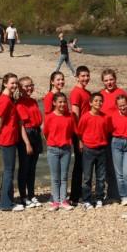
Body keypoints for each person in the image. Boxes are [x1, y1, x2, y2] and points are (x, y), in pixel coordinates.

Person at [0, 73, 27, 212]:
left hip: (12, 138)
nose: (14, 86)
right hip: (7, 139)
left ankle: (8, 200)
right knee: (8, 171)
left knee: (10, 170)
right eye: (12, 83)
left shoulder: (9, 99)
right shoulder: (4, 100)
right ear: (5, 83)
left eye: (15, 83)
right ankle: (6, 204)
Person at [78, 92, 111, 208]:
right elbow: (80, 132)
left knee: (101, 177)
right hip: (88, 149)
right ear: (90, 102)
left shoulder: (105, 117)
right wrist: (81, 143)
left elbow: (107, 131)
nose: (98, 103)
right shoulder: (85, 117)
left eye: (101, 101)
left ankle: (99, 198)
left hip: (102, 149)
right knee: (87, 176)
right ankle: (87, 199)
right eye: (96, 101)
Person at [45, 92, 77, 210]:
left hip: (66, 150)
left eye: (64, 102)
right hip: (53, 150)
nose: (63, 104)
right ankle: (55, 201)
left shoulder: (69, 117)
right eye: (60, 102)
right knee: (55, 177)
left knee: (64, 177)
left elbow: (71, 132)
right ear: (54, 103)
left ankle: (64, 200)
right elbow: (46, 133)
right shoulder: (49, 117)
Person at [15, 77, 43, 208]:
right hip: (26, 135)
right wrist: (27, 143)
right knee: (24, 168)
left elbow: (39, 122)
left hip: (36, 133)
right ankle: (23, 196)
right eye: (26, 86)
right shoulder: (19, 104)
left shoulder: (33, 101)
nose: (29, 88)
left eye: (31, 85)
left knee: (32, 168)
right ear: (20, 88)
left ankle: (32, 194)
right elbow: (21, 126)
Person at [68, 66, 92, 204]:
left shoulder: (87, 92)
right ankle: (74, 197)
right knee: (79, 165)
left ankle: (83, 193)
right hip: (79, 134)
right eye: (83, 76)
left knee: (85, 165)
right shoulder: (76, 92)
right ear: (77, 77)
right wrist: (79, 139)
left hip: (88, 133)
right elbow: (75, 116)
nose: (85, 78)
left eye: (87, 76)